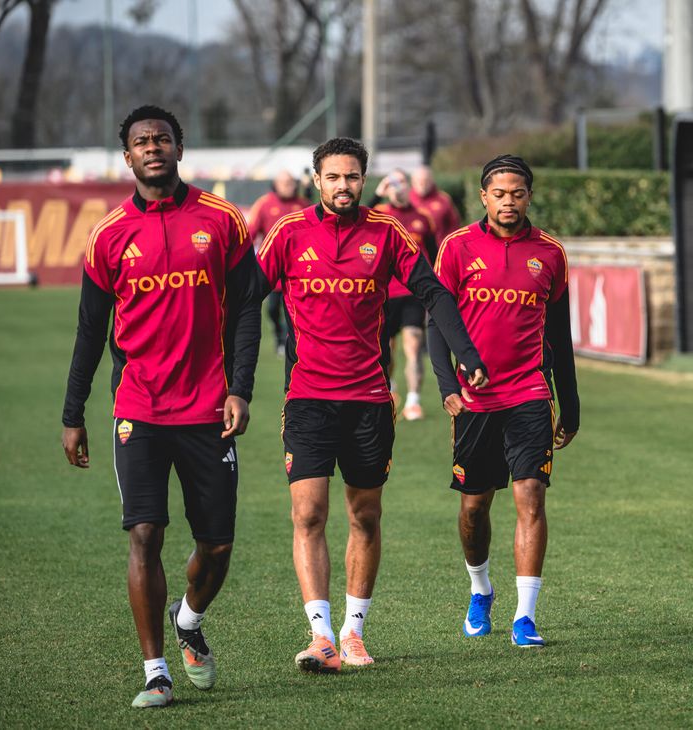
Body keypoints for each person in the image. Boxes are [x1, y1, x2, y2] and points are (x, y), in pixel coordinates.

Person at [255, 137, 488, 673]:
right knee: (308, 513)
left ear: (365, 180)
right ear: (317, 180)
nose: (344, 186)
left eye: (353, 177)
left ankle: (354, 633)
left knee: (365, 515)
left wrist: (465, 354)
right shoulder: (289, 233)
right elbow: (245, 294)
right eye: (334, 177)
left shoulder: (387, 233)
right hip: (309, 397)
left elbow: (434, 292)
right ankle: (320, 636)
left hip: (367, 400)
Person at [61, 105, 262, 707]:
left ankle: (189, 621)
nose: (153, 148)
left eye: (163, 139)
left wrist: (240, 387)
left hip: (208, 408)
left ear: (180, 147)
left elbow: (249, 308)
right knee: (144, 533)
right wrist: (74, 414)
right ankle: (155, 671)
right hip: (139, 409)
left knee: (218, 546)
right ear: (127, 156)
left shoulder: (222, 220)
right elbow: (90, 332)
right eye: (142, 141)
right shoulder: (108, 234)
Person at [429, 154, 580, 647]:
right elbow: (437, 320)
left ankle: (525, 616)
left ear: (529, 197)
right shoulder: (456, 248)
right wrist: (447, 386)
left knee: (530, 497)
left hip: (530, 394)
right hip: (474, 400)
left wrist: (570, 402)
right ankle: (480, 590)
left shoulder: (550, 254)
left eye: (517, 193)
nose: (508, 201)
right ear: (483, 197)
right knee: (474, 507)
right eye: (499, 193)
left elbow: (559, 333)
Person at [372, 168, 438, 420]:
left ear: (407, 186)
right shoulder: (378, 215)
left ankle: (413, 401)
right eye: (391, 184)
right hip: (383, 295)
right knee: (385, 351)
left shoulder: (423, 217)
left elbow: (435, 255)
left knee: (413, 345)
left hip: (412, 294)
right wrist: (376, 196)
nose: (396, 188)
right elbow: (351, 220)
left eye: (400, 183)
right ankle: (390, 390)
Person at [247, 169, 311, 357]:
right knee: (273, 308)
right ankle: (277, 333)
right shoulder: (264, 204)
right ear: (276, 184)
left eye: (291, 182)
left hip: (300, 269)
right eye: (284, 183)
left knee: (298, 310)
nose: (288, 186)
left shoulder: (303, 204)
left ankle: (294, 343)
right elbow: (251, 233)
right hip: (274, 267)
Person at [410, 164, 461, 244]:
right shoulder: (406, 200)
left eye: (425, 180)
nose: (422, 184)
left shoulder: (443, 199)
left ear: (431, 180)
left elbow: (454, 225)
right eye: (419, 181)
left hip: (440, 250)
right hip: (413, 252)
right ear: (412, 181)